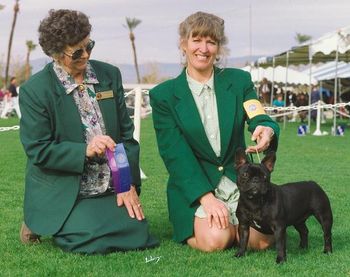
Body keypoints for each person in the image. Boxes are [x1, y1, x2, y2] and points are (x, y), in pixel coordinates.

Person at [19, 9, 158, 254]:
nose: (86, 55)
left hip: (110, 184)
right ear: (56, 53)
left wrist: (127, 184)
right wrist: (85, 150)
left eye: (89, 45)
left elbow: (126, 137)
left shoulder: (109, 75)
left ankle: (92, 220)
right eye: (77, 52)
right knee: (87, 239)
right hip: (67, 187)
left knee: (139, 235)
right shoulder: (35, 91)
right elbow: (38, 150)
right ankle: (41, 218)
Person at [149, 11, 279, 252]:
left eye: (211, 41)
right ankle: (214, 226)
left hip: (238, 180)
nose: (204, 48)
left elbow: (258, 115)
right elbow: (174, 153)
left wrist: (266, 129)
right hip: (196, 185)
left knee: (261, 242)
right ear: (183, 44)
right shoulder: (163, 96)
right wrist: (207, 199)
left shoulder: (239, 81)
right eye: (196, 40)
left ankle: (232, 225)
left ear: (218, 48)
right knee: (215, 242)